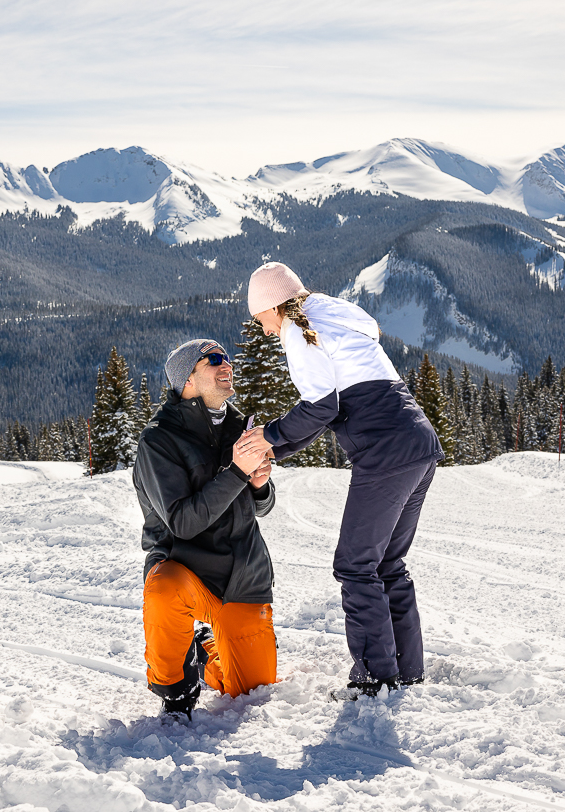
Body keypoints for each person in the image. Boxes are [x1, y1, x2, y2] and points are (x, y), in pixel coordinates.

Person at [242, 262, 443, 696]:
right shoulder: (332, 316)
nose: (263, 332)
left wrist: (267, 437)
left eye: (260, 320)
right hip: (418, 442)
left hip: (385, 452)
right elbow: (329, 408)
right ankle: (406, 671)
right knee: (387, 563)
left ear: (272, 307)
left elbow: (319, 407)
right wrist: (276, 448)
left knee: (355, 566)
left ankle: (375, 678)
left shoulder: (299, 330)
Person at [132, 338, 277, 721]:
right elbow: (182, 522)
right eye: (212, 360)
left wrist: (260, 485)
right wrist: (237, 473)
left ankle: (207, 648)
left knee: (248, 693)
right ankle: (176, 688)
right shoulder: (159, 440)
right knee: (162, 588)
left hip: (243, 573)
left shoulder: (239, 426)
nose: (225, 364)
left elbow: (262, 505)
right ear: (188, 380)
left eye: (226, 357)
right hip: (187, 571)